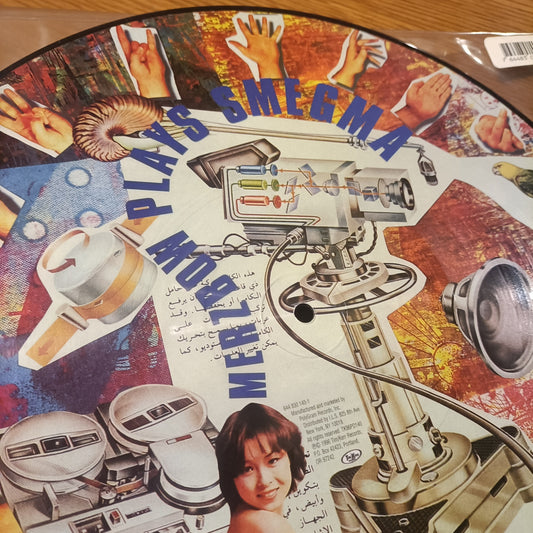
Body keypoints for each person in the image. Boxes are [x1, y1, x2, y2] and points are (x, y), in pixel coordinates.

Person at [215, 402, 306, 533]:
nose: (264, 480)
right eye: (247, 469)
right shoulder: (270, 525)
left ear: (290, 458)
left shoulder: (241, 517)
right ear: (232, 478)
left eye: (273, 461)